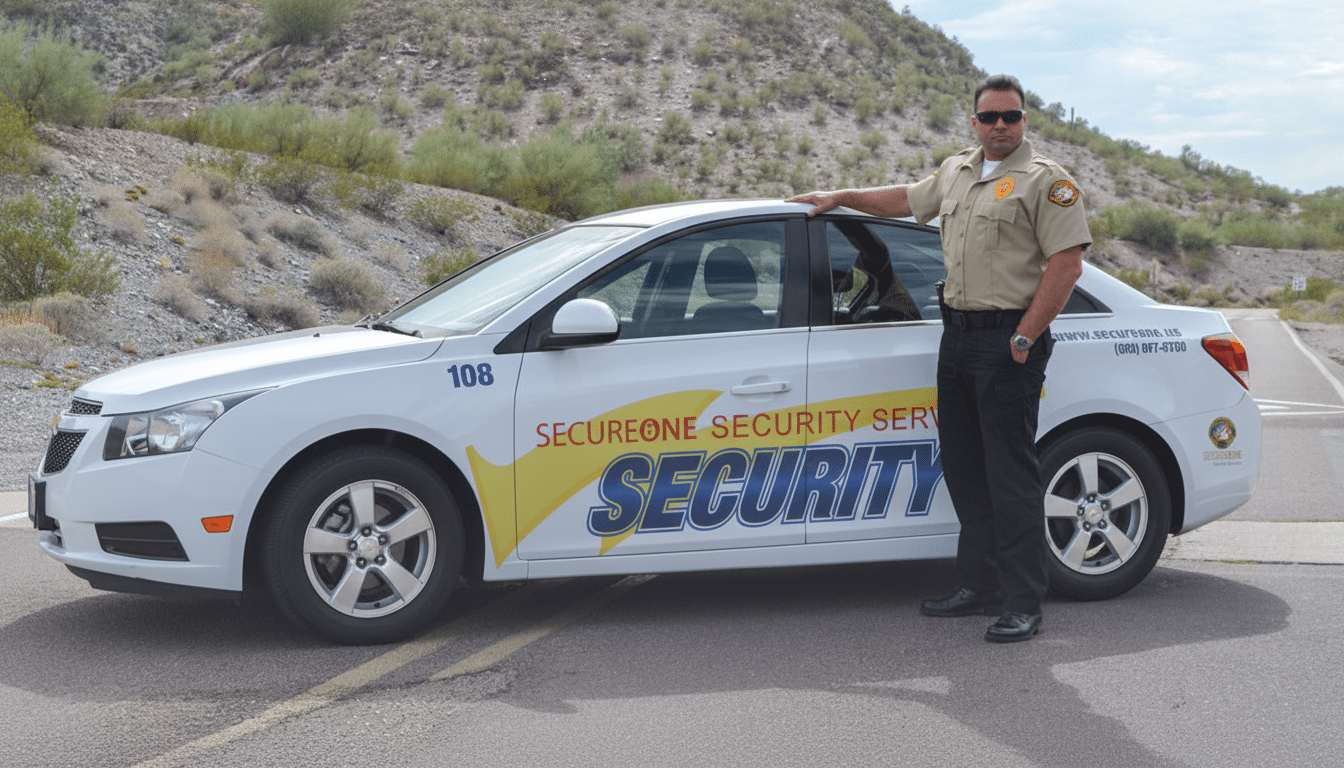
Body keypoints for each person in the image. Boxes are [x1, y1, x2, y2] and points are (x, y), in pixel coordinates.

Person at [787, 74, 1091, 643]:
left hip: (1007, 341)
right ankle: (979, 586)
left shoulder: (1048, 183)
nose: (1001, 125)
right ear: (973, 122)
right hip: (956, 337)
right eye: (990, 117)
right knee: (964, 468)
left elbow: (1066, 265)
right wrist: (843, 198)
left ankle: (1024, 601)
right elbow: (905, 199)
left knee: (1010, 476)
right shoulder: (957, 170)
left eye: (1012, 116)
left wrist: (1024, 338)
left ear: (1025, 121)